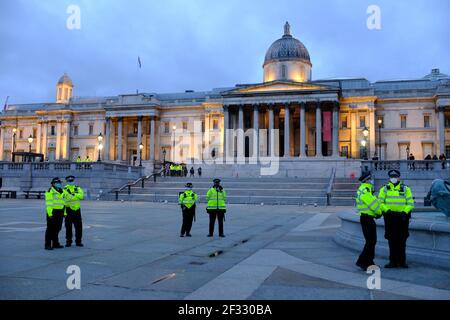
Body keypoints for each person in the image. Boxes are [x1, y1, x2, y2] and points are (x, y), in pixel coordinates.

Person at [378, 169, 415, 268]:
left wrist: (404, 212)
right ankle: (392, 261)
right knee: (391, 240)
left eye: (395, 176)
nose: (393, 178)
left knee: (402, 240)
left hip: (402, 218)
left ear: (399, 177)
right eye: (392, 177)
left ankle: (402, 261)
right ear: (389, 178)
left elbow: (410, 203)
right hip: (389, 217)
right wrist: (387, 210)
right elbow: (380, 203)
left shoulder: (406, 189)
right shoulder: (384, 189)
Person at [355, 171, 383, 271]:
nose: (371, 180)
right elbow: (372, 204)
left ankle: (369, 262)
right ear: (367, 180)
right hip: (367, 219)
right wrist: (379, 212)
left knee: (370, 241)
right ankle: (363, 261)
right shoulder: (365, 189)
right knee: (371, 241)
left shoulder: (363, 189)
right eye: (370, 179)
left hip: (366, 218)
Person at [44, 178, 67, 250]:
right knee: (50, 229)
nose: (59, 184)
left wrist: (65, 212)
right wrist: (50, 214)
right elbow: (49, 204)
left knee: (58, 228)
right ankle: (47, 245)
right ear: (53, 184)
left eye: (60, 183)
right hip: (52, 212)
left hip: (60, 212)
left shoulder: (62, 191)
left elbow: (64, 203)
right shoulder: (50, 191)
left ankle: (55, 243)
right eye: (57, 183)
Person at [63, 175, 85, 247]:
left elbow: (82, 196)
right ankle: (68, 241)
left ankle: (78, 241)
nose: (71, 182)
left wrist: (72, 195)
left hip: (77, 210)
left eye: (72, 180)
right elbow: (66, 199)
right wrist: (76, 196)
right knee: (68, 227)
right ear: (66, 181)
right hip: (68, 209)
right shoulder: (64, 189)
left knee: (79, 227)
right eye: (69, 181)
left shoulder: (78, 188)